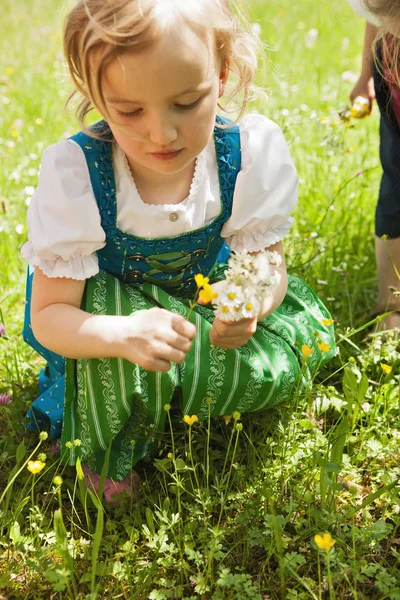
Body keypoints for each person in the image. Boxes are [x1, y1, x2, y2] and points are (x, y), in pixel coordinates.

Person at [21, 0, 335, 502]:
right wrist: (122, 333)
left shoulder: (247, 152)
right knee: (106, 313)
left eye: (187, 103)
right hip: (115, 341)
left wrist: (252, 301)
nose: (160, 134)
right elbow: (50, 316)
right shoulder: (77, 175)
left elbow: (267, 262)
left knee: (275, 367)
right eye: (129, 111)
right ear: (93, 93)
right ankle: (109, 448)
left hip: (199, 323)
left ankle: (192, 388)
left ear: (223, 70)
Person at [347, 0, 400, 329]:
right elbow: (374, 15)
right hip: (393, 94)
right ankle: (391, 304)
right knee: (394, 190)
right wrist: (366, 75)